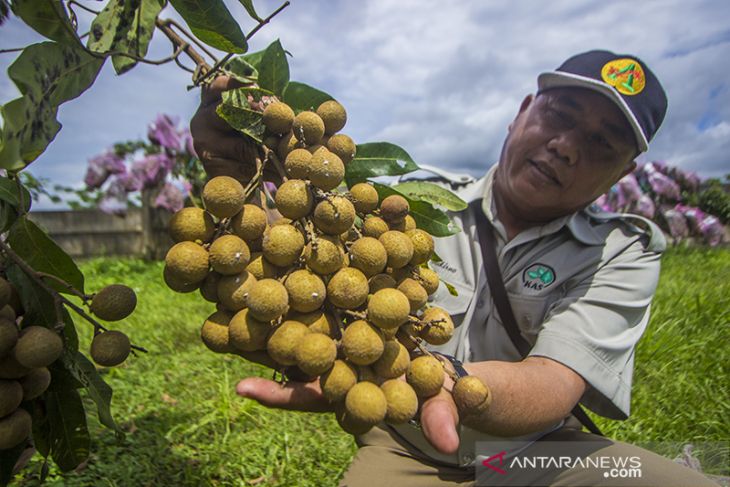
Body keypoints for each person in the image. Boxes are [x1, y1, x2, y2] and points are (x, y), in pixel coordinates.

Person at [190, 50, 720, 486]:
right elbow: (295, 227)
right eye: (559, 116)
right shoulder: (412, 206)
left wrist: (456, 384)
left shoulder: (623, 249)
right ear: (524, 110)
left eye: (601, 142)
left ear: (624, 171)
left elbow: (557, 382)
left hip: (532, 455)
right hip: (407, 444)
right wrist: (232, 166)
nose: (565, 147)